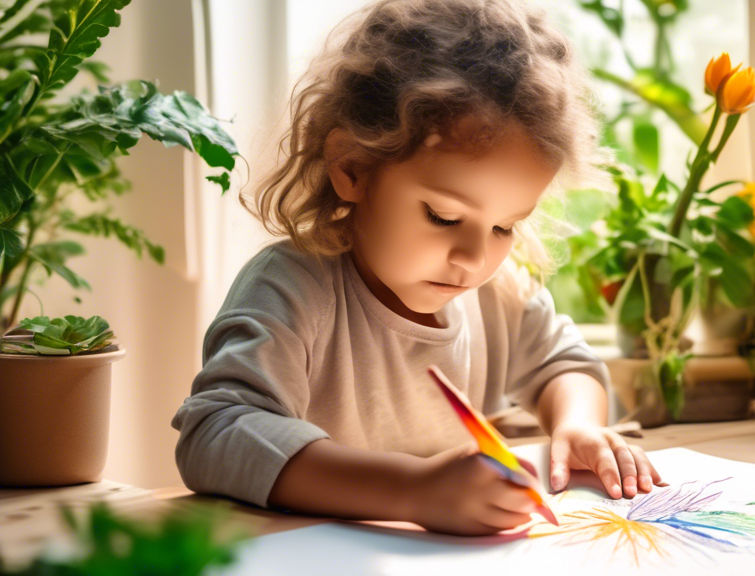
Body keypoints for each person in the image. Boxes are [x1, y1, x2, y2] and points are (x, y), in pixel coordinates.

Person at [171, 0, 664, 537]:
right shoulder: (294, 286)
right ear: (352, 168)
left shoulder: (496, 293)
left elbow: (564, 364)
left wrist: (577, 425)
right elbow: (215, 433)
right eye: (444, 216)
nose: (474, 258)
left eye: (504, 227)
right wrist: (413, 490)